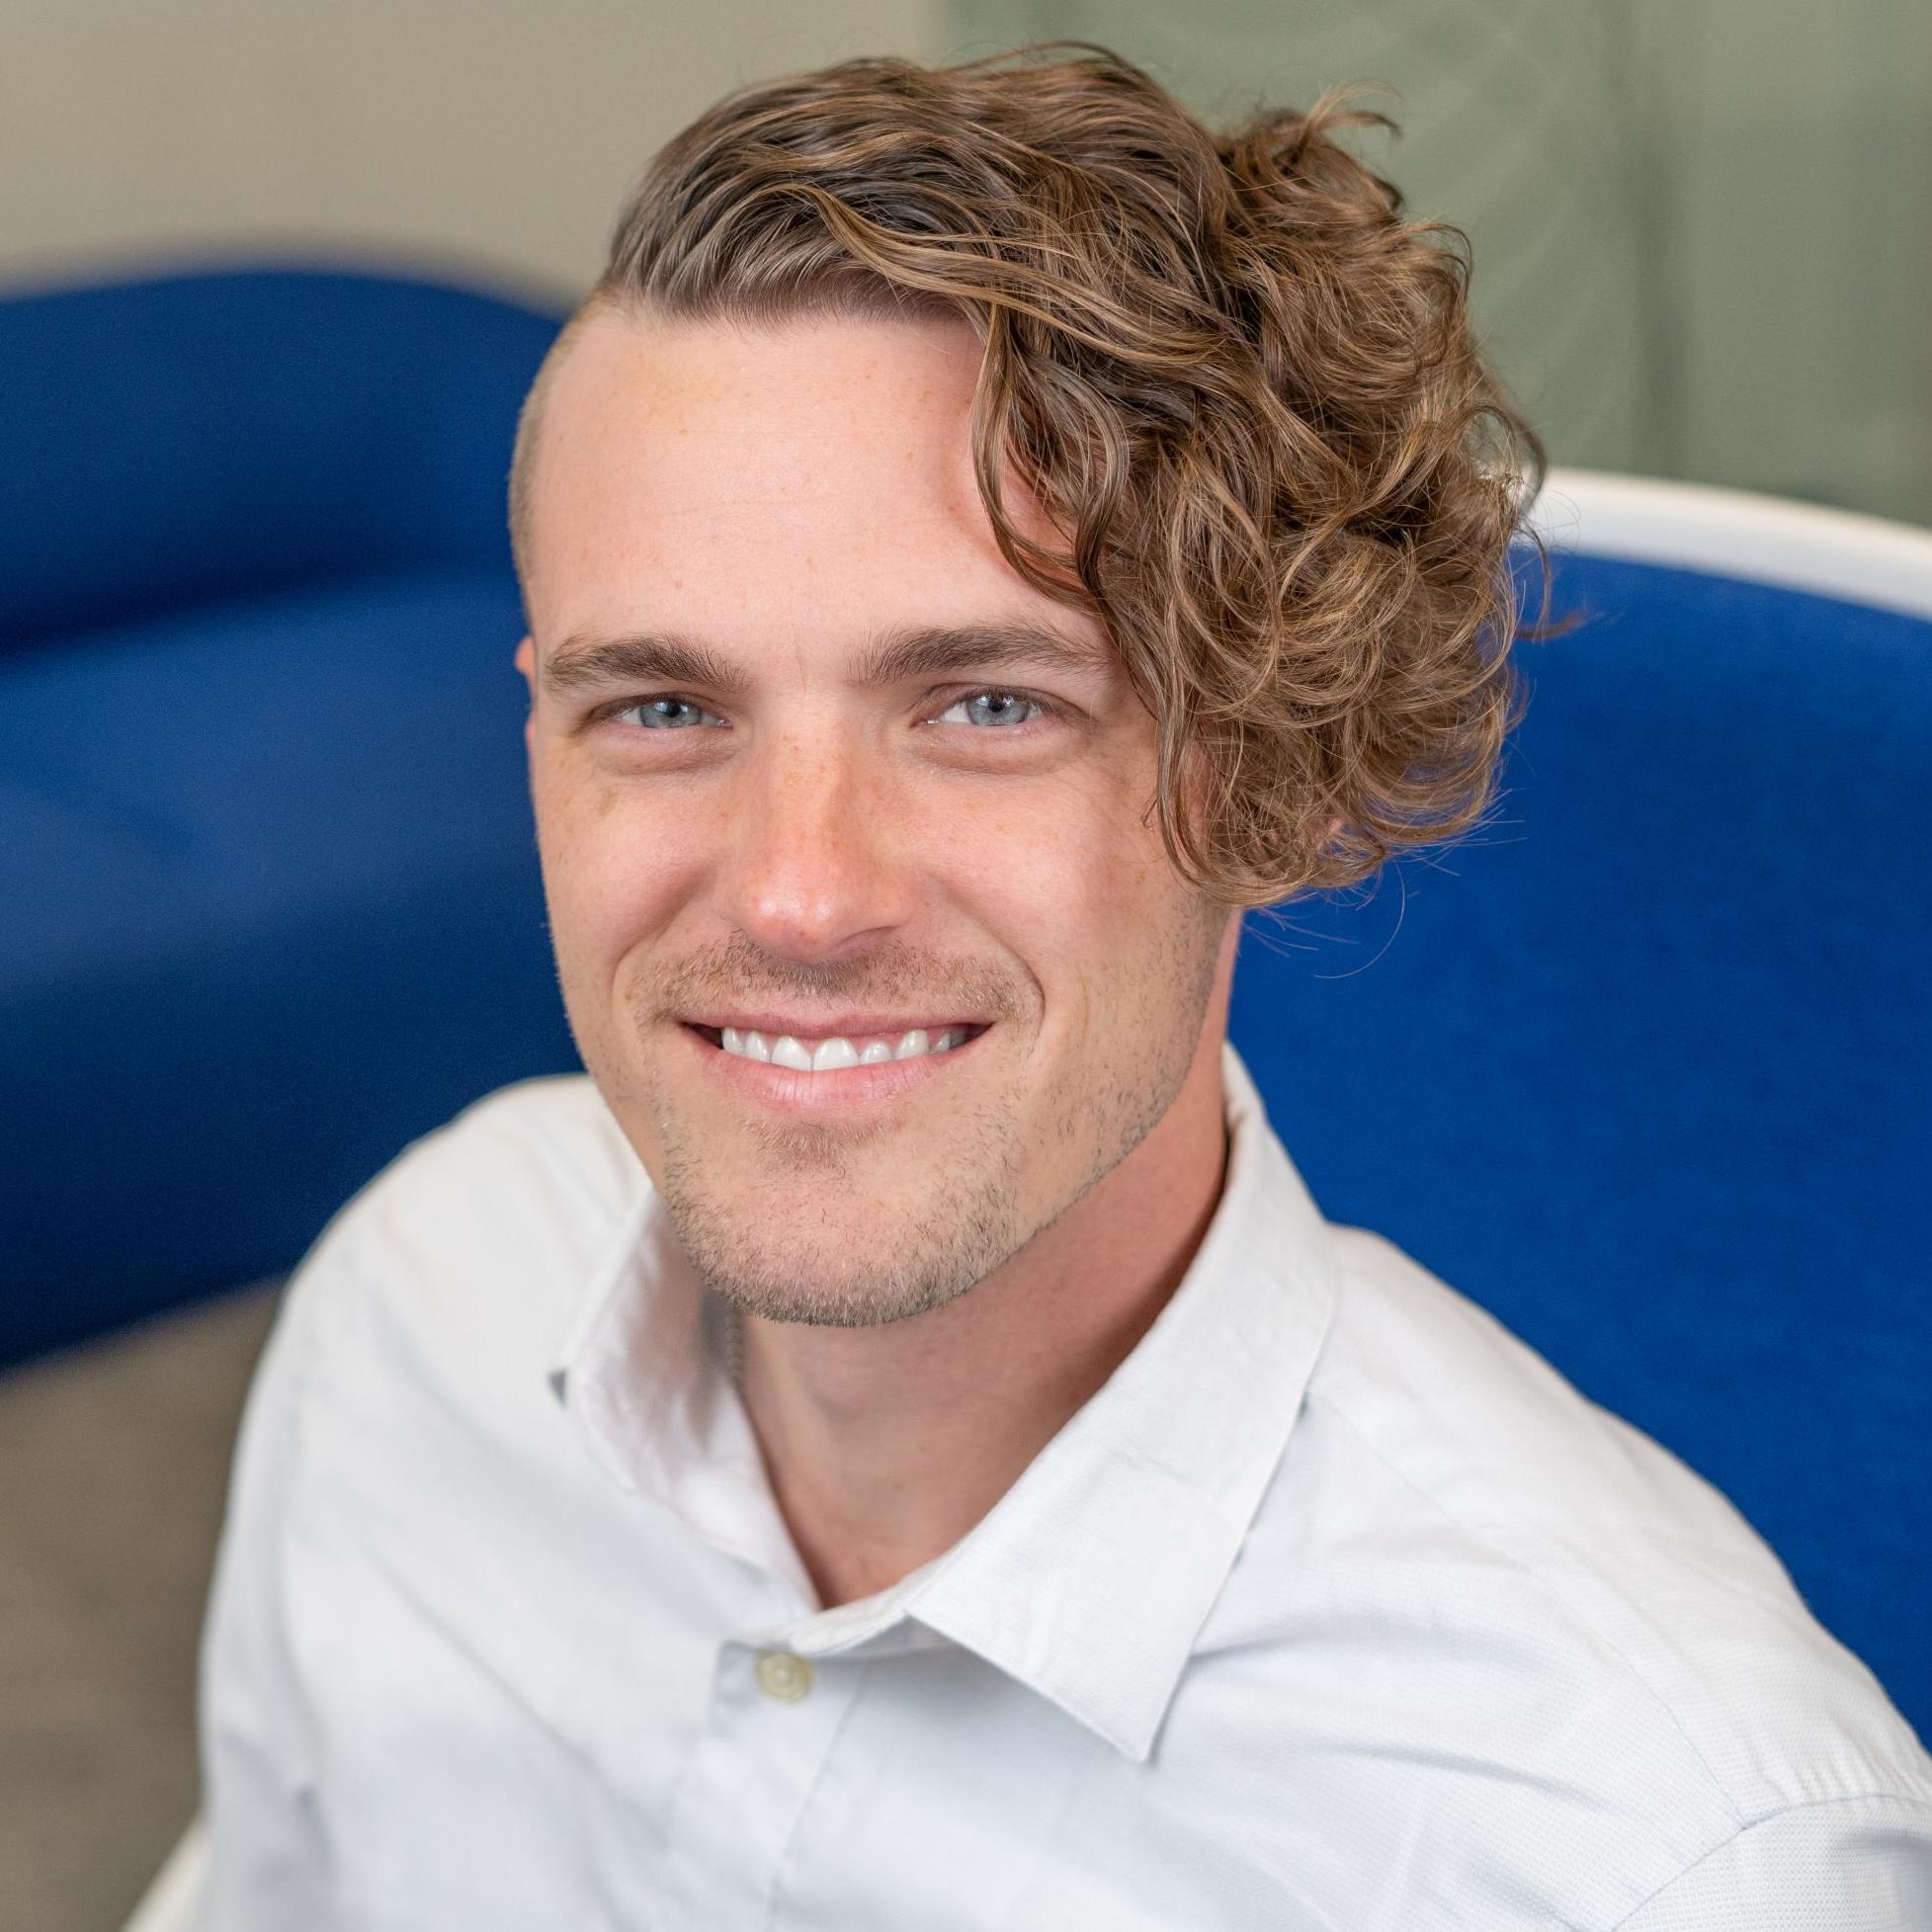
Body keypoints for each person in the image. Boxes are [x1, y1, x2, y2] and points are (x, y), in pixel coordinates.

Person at [197, 43, 1932, 1929]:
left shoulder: (1648, 1861)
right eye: (667, 706)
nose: (795, 891)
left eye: (987, 705)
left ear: (1270, 767)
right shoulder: (414, 1311)